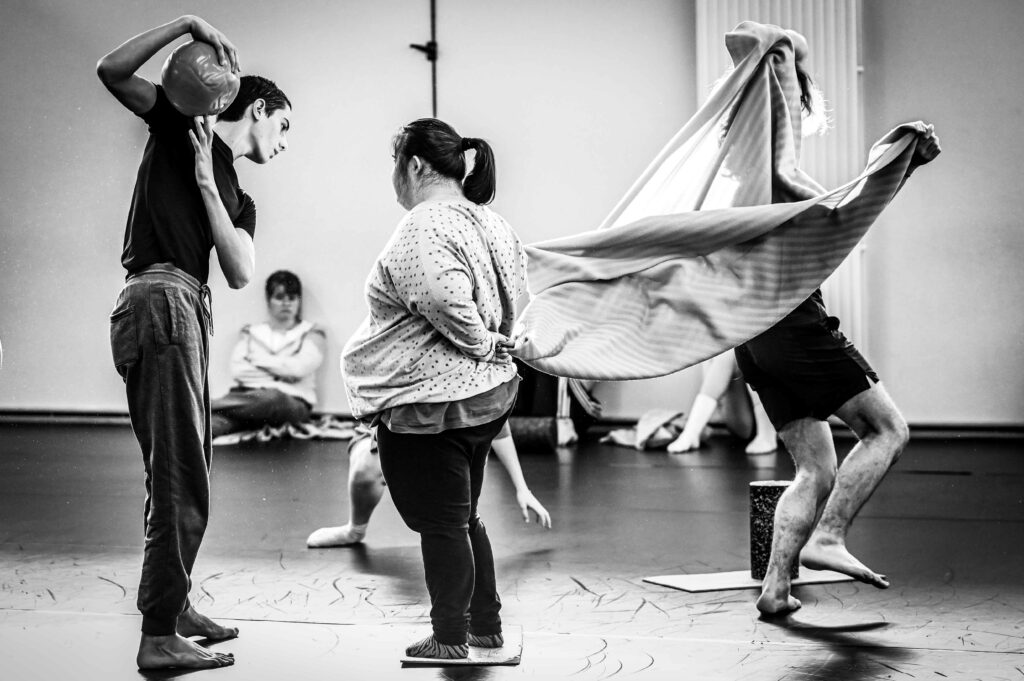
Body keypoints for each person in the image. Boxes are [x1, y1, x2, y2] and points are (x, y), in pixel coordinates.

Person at [98, 15, 291, 670]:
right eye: (284, 126)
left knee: (185, 472)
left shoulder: (239, 196)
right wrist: (185, 24)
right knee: (180, 477)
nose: (284, 143)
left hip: (189, 309)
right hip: (160, 299)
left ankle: (174, 606)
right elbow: (111, 71)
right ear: (257, 108)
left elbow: (239, 270)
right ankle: (158, 635)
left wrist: (209, 186)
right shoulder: (178, 123)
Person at [729, 30, 942, 616]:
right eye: (792, 72)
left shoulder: (739, 169)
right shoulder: (772, 154)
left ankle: (776, 588)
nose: (799, 78)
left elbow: (844, 214)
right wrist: (785, 52)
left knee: (814, 469)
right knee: (888, 430)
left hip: (754, 334)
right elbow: (827, 200)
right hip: (792, 324)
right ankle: (827, 537)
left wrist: (896, 167)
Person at [341, 118, 533, 660]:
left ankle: (449, 638)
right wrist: (492, 345)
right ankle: (485, 627)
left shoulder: (424, 226)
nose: (393, 177)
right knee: (462, 517)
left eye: (395, 164)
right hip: (483, 398)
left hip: (435, 407)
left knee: (444, 525)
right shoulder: (490, 220)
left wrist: (483, 342)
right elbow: (516, 288)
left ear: (416, 165)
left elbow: (446, 301)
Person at [306, 421, 551, 548]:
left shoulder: (472, 360)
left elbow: (499, 428)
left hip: (446, 434)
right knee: (366, 467)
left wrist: (522, 488)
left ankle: (454, 528)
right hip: (397, 418)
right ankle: (355, 528)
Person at [211, 270, 325, 438]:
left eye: (292, 298)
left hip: (291, 403)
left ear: (299, 301)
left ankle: (206, 404)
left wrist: (257, 360)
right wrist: (282, 372)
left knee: (273, 398)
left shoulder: (312, 332)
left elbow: (298, 369)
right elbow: (239, 370)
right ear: (269, 300)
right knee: (210, 426)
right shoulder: (251, 332)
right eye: (279, 297)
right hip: (247, 398)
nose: (286, 303)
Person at [667, 350, 778, 454]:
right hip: (744, 422)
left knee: (754, 348)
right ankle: (691, 433)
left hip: (773, 415)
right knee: (730, 353)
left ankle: (691, 432)